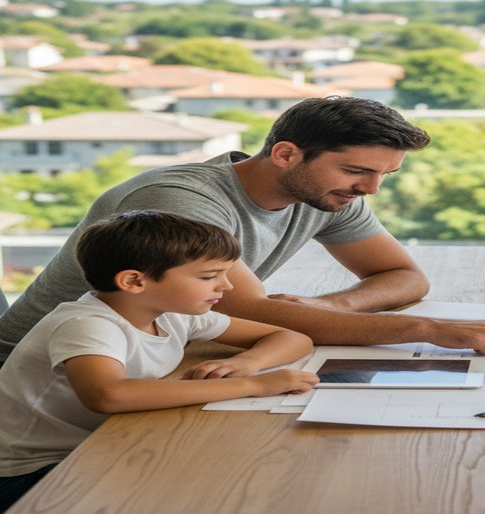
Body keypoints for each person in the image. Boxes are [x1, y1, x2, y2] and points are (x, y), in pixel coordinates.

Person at [0, 96, 485, 366]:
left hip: (159, 353)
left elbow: (403, 276)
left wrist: (335, 305)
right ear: (287, 154)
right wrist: (432, 330)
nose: (370, 189)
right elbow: (258, 312)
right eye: (357, 171)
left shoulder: (327, 193)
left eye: (383, 175)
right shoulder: (180, 202)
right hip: (55, 372)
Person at [0, 211, 318, 509]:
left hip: (95, 443)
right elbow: (107, 394)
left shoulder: (173, 313)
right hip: (27, 471)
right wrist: (252, 385)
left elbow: (293, 338)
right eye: (209, 276)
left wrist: (247, 363)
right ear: (134, 282)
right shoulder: (87, 324)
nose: (227, 285)